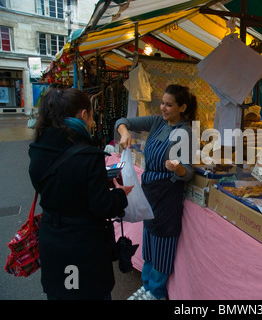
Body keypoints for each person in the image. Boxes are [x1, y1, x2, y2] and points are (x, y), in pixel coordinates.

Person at [28, 87, 134, 300]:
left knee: (63, 293)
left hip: (52, 238)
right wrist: (120, 194)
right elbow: (101, 206)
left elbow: (55, 185)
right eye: (92, 116)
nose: (93, 123)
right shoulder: (88, 155)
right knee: (83, 292)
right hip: (81, 245)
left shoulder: (38, 147)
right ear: (84, 114)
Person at [115, 84, 197, 300]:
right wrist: (124, 133)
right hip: (149, 189)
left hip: (168, 194)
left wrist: (177, 168)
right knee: (149, 239)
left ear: (182, 107)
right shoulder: (157, 122)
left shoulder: (184, 132)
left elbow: (188, 172)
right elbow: (123, 122)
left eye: (169, 105)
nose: (163, 108)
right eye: (162, 103)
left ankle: (157, 293)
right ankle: (147, 285)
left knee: (162, 243)